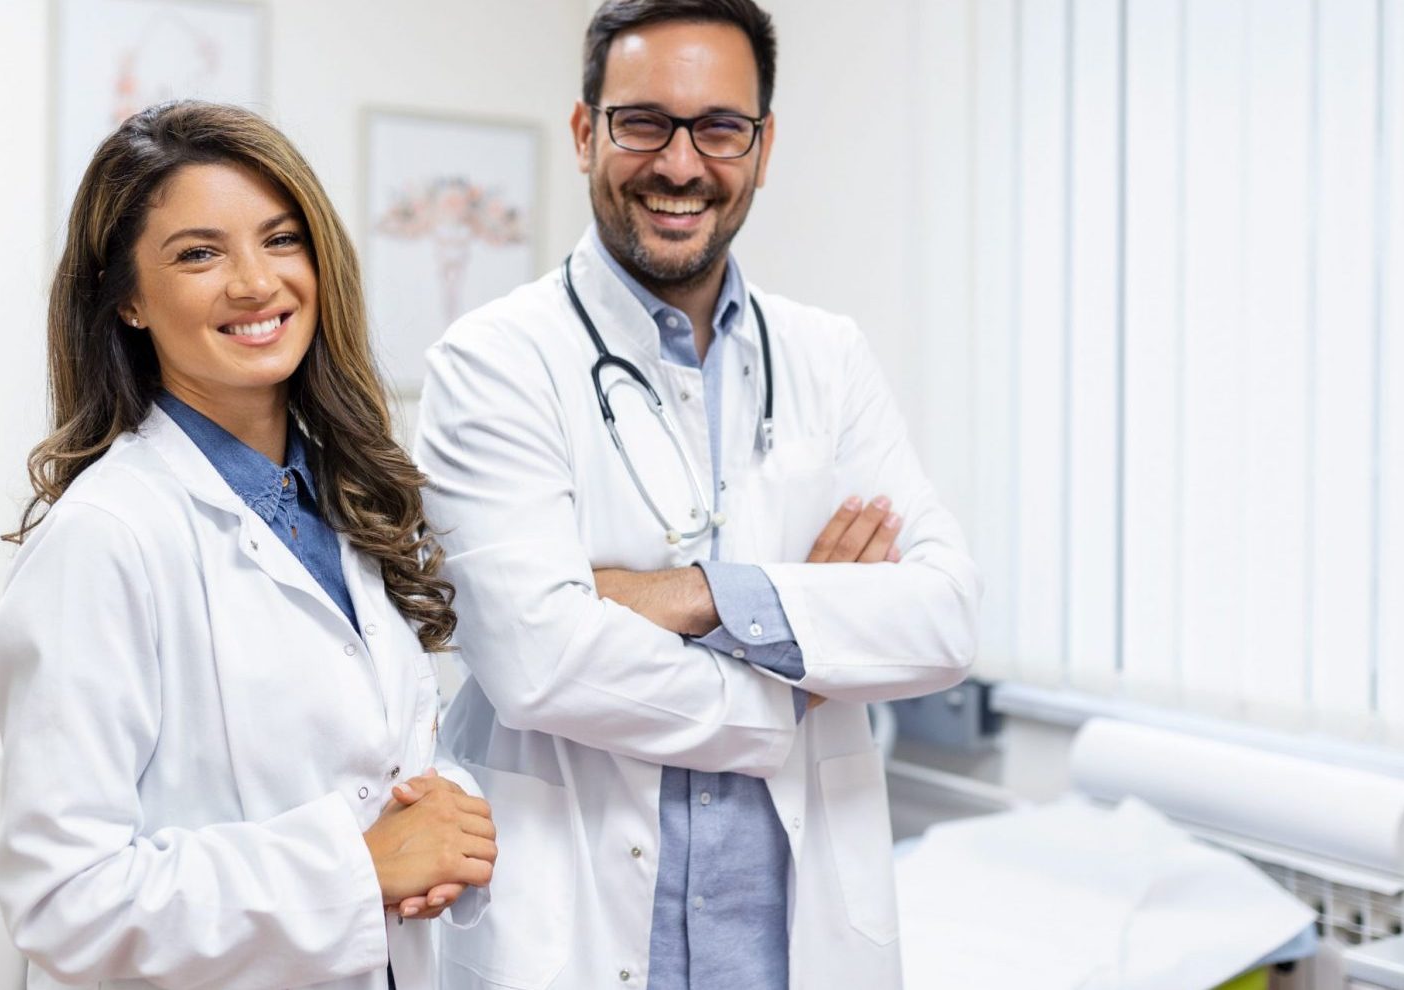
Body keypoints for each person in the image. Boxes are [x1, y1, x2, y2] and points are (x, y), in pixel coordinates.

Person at [414, 2, 980, 987]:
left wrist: (697, 594)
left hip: (788, 946)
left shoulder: (828, 360)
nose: (682, 164)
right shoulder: (493, 362)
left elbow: (944, 619)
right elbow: (539, 663)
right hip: (577, 931)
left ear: (761, 150)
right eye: (644, 122)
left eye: (721, 128)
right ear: (586, 131)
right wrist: (801, 663)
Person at [0, 100, 494, 990]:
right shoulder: (105, 539)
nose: (256, 283)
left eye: (281, 239)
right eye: (199, 253)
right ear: (130, 301)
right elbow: (64, 899)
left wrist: (446, 812)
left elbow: (368, 757)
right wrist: (360, 865)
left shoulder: (342, 497)